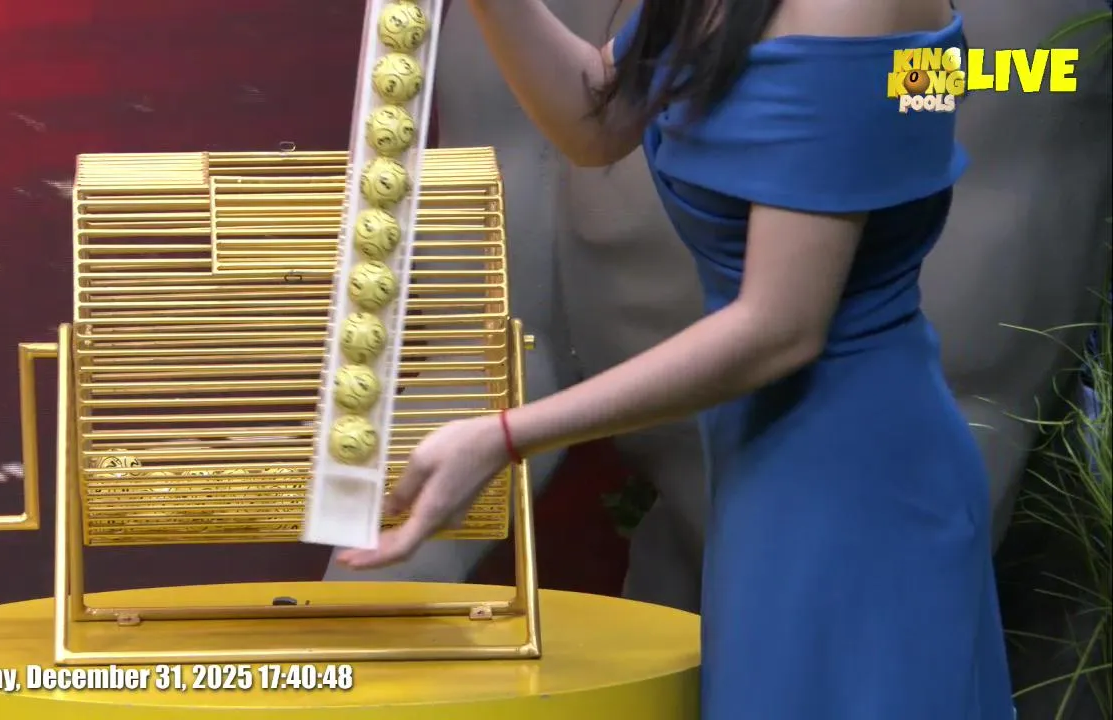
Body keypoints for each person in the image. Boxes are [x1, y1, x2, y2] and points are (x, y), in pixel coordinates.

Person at [336, 0, 1016, 716]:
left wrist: (504, 436)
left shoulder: (850, 8)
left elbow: (780, 327)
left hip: (859, 487)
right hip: (769, 467)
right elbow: (597, 121)